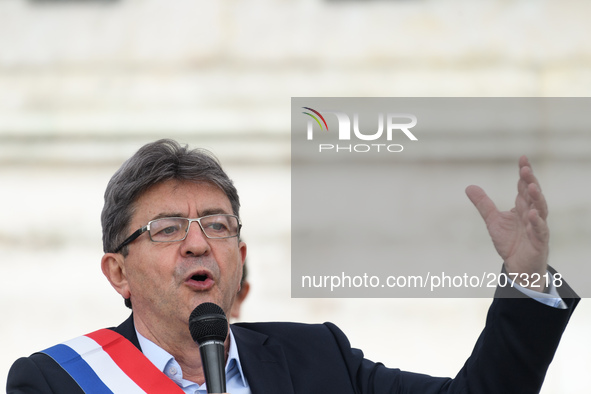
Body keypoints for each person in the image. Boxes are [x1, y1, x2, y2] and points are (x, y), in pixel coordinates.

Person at [7, 139, 579, 394]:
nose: (198, 243)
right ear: (118, 273)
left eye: (218, 224)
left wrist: (526, 276)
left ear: (241, 257)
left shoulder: (318, 358)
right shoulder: (57, 383)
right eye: (167, 229)